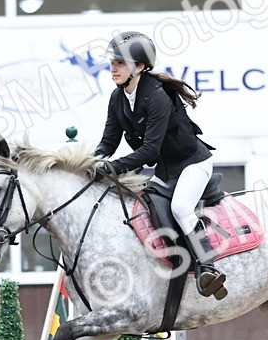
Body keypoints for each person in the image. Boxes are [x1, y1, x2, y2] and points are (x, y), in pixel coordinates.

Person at [92, 31, 226, 299]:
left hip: (193, 164)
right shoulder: (118, 98)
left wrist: (112, 168)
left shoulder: (157, 96)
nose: (113, 68)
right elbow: (108, 142)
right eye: (112, 62)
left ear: (140, 67)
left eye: (121, 63)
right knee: (144, 206)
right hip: (166, 170)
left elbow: (148, 150)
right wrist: (91, 163)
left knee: (180, 207)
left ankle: (207, 266)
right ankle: (171, 261)